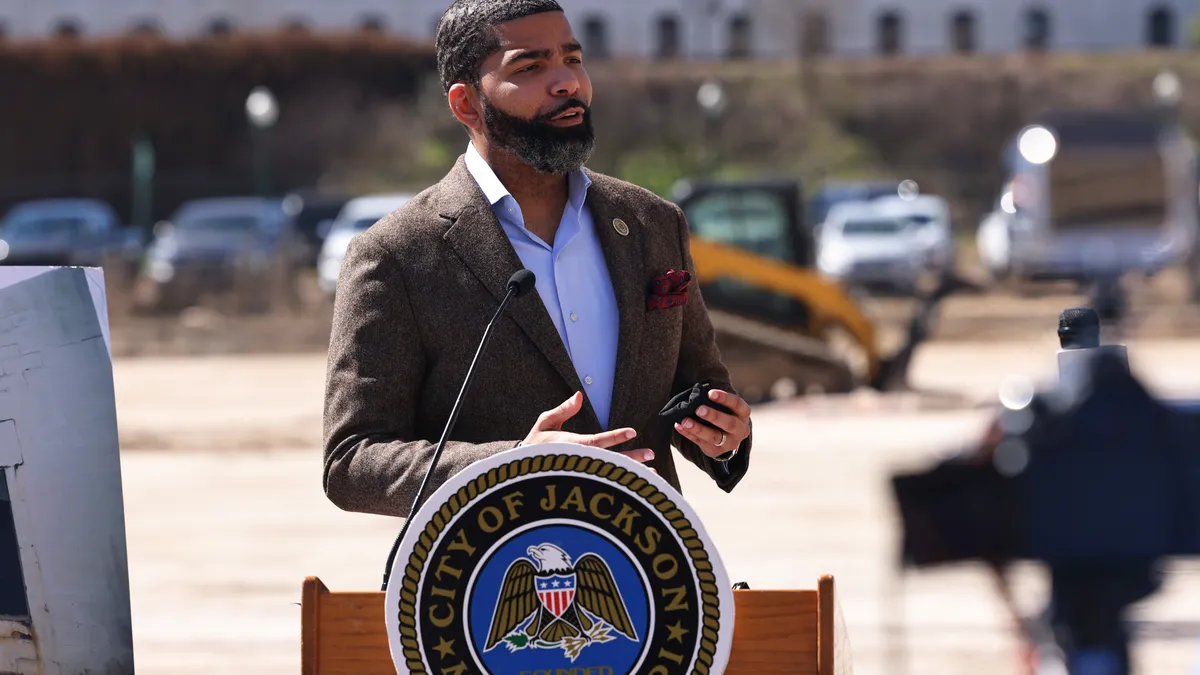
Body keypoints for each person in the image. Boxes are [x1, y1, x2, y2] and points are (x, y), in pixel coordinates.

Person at [322, 0, 754, 518]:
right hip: (488, 578)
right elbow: (351, 462)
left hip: (650, 570)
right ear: (466, 104)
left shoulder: (653, 223)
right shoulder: (395, 255)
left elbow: (697, 390)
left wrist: (722, 432)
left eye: (572, 59)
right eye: (530, 67)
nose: (567, 82)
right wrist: (513, 466)